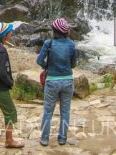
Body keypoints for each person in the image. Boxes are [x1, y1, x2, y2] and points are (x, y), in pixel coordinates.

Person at [36, 18, 77, 147]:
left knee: (48, 111)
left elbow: (39, 60)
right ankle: (62, 138)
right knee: (65, 111)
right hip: (67, 81)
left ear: (54, 31)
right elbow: (74, 64)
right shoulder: (71, 44)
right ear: (66, 32)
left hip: (52, 81)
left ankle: (44, 139)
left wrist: (46, 67)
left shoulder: (48, 43)